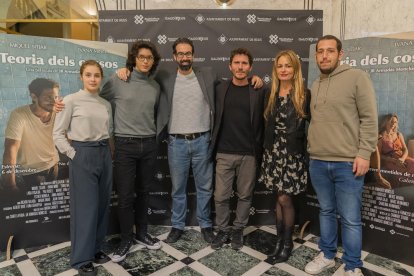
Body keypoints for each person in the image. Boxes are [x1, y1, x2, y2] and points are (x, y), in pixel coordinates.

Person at [117, 37, 263, 244]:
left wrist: (256, 79)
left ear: (193, 55)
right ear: (175, 56)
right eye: (181, 53)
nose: (185, 57)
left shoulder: (208, 74)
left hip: (203, 140)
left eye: (188, 53)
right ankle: (177, 225)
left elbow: (238, 82)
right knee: (178, 188)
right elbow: (142, 76)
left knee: (205, 188)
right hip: (176, 142)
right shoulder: (165, 77)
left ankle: (205, 225)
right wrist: (125, 70)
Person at [304, 35, 378, 276]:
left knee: (350, 218)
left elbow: (369, 118)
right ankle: (327, 254)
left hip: (348, 163)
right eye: (320, 52)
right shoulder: (316, 84)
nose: (324, 56)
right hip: (317, 161)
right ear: (316, 56)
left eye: (330, 51)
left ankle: (353, 265)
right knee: (325, 211)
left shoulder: (357, 77)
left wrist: (364, 153)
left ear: (340, 54)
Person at [100, 41, 162, 263]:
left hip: (149, 144)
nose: (145, 61)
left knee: (144, 192)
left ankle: (142, 234)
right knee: (125, 196)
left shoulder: (155, 87)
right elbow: (98, 100)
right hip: (125, 145)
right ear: (134, 59)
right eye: (141, 57)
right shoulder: (119, 79)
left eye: (149, 58)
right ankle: (126, 239)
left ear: (153, 61)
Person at [53, 60, 113, 276]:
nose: (93, 79)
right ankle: (81, 259)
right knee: (85, 209)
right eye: (88, 75)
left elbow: (108, 132)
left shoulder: (105, 104)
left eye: (97, 75)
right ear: (81, 76)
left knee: (102, 205)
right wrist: (73, 155)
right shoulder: (70, 101)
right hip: (83, 154)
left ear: (101, 77)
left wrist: (108, 155)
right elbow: (57, 134)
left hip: (104, 153)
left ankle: (96, 250)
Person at [210, 48, 266, 250]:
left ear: (250, 67)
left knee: (244, 195)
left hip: (249, 154)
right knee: (220, 196)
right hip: (224, 152)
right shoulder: (220, 88)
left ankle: (238, 230)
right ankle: (223, 230)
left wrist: (260, 80)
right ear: (230, 66)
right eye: (236, 63)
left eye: (244, 63)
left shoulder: (258, 90)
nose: (240, 67)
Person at [259, 50, 310, 262]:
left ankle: (287, 243)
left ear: (295, 69)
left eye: (288, 65)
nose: (283, 69)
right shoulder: (270, 93)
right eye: (280, 66)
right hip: (273, 153)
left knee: (284, 198)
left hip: (292, 154)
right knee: (278, 199)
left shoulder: (304, 95)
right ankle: (279, 241)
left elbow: (314, 126)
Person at [2, 78, 59, 191]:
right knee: (37, 204)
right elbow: (11, 148)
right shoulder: (19, 115)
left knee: (52, 201)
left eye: (55, 97)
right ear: (34, 97)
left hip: (54, 165)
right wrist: (10, 184)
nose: (53, 101)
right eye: (48, 97)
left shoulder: (58, 112)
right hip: (32, 171)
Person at [372, 113, 414, 187]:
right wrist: (394, 161)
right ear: (386, 122)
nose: (393, 124)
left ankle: (408, 189)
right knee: (400, 169)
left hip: (401, 157)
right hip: (390, 160)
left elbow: (405, 149)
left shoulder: (398, 134)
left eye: (395, 122)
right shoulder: (381, 137)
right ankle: (401, 189)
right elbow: (378, 155)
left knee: (412, 163)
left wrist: (402, 159)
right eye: (391, 121)